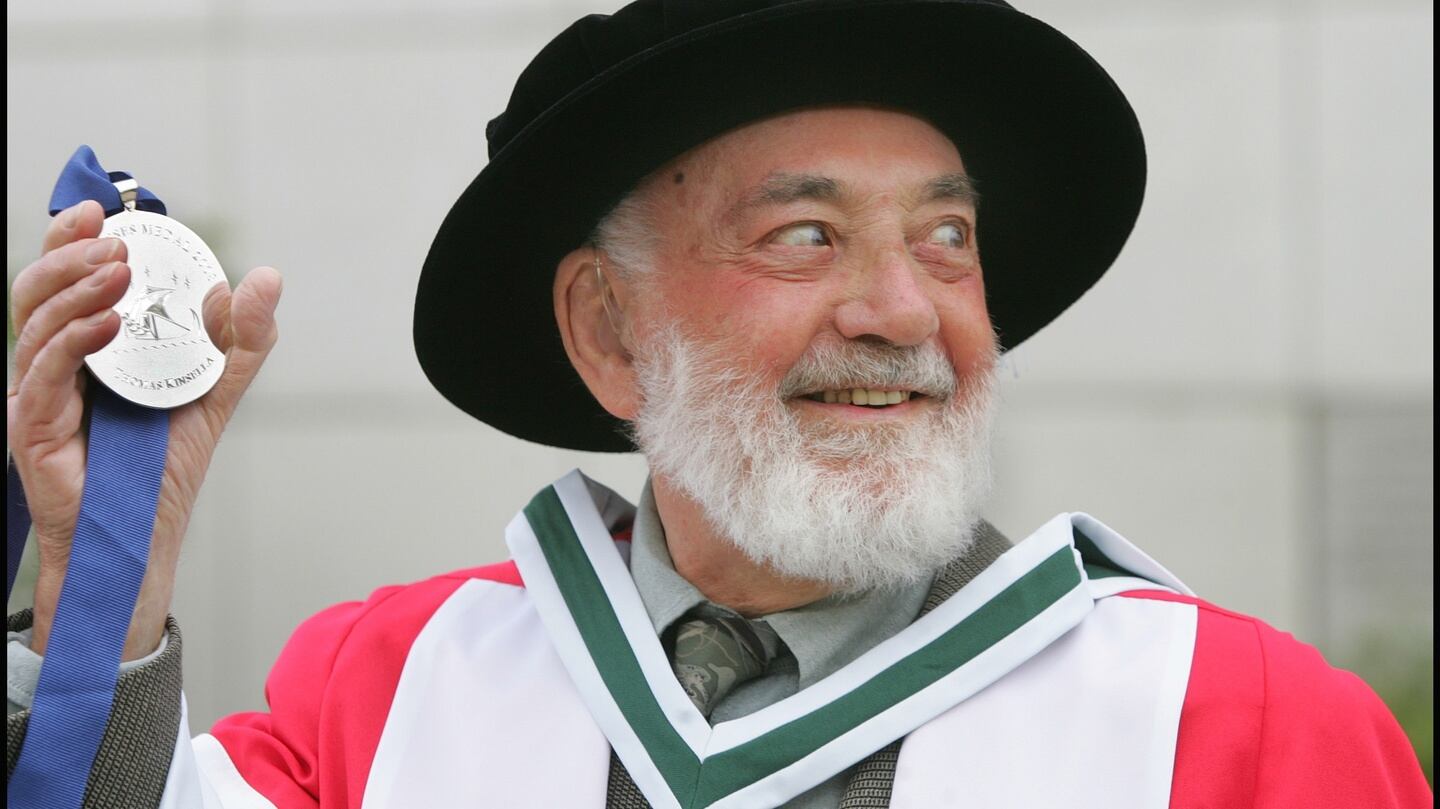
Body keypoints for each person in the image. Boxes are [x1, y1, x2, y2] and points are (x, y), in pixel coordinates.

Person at [5, 0, 1431, 807]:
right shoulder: (378, 701)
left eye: (946, 238)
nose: (904, 310)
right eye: (805, 236)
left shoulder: (1249, 737)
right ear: (608, 329)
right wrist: (102, 565)